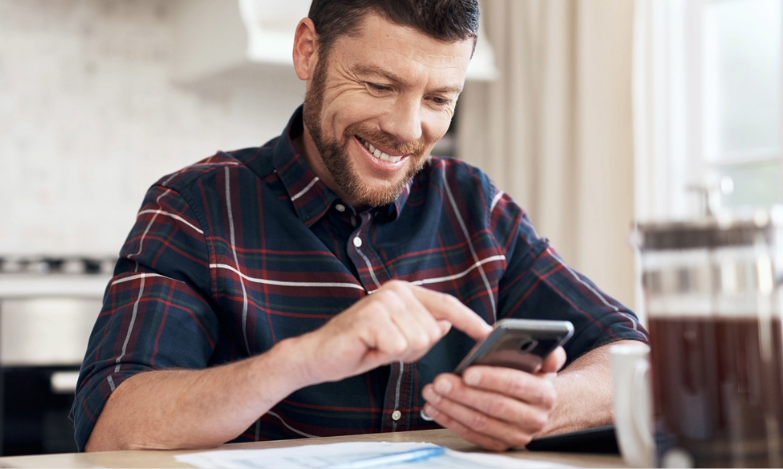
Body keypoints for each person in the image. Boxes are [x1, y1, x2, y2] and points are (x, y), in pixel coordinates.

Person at [72, 0, 648, 453]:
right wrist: (303, 359)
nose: (407, 127)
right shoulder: (197, 206)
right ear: (307, 52)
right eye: (379, 85)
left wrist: (547, 403)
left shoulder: (474, 204)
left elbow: (633, 356)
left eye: (439, 99)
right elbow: (114, 428)